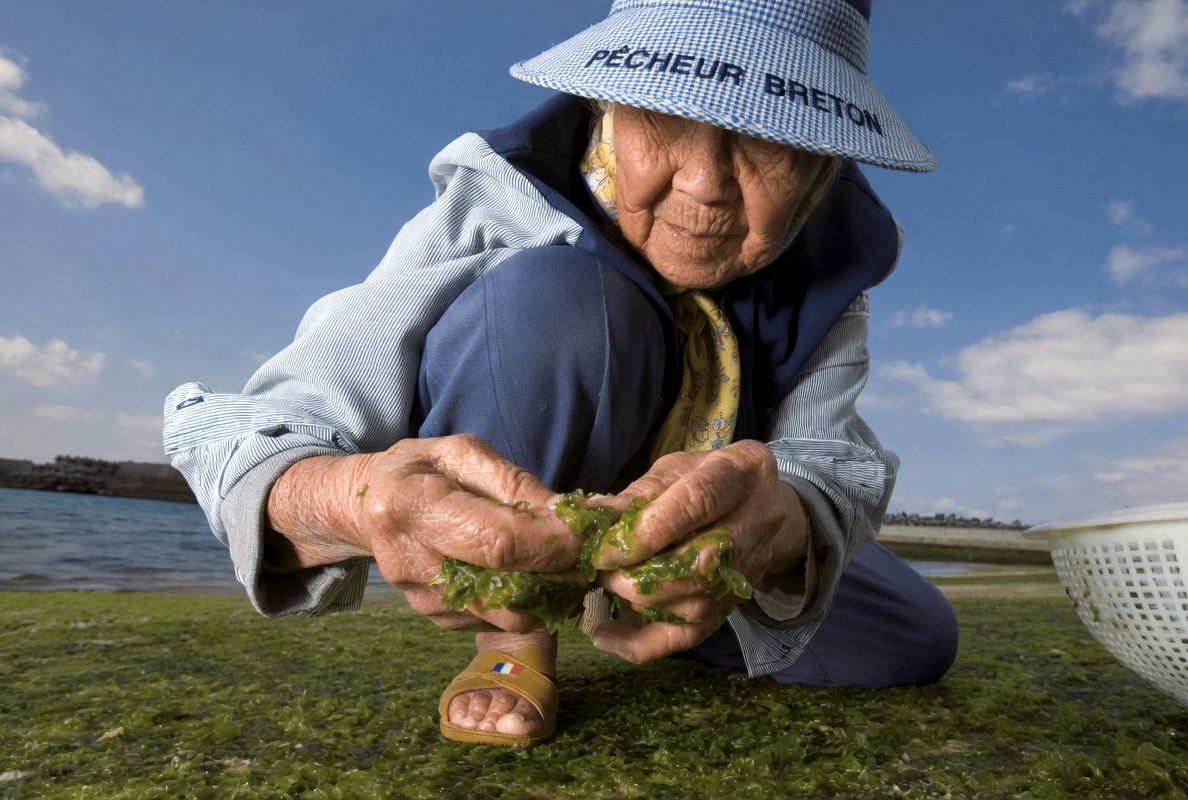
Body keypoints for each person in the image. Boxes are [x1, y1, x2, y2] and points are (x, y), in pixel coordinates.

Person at [164, 0, 959, 748]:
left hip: (691, 537)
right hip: (519, 485)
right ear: (609, 106)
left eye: (772, 138)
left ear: (823, 167)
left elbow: (828, 454)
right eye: (665, 113)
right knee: (562, 300)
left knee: (914, 635)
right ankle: (514, 636)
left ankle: (662, 604)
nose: (705, 185)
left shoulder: (832, 267)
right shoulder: (503, 193)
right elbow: (261, 422)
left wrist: (779, 519)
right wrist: (347, 500)